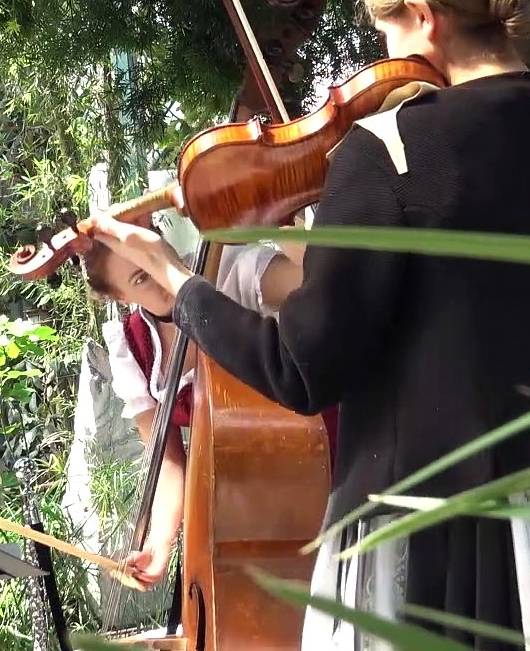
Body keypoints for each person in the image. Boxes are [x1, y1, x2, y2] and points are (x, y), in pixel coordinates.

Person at [85, 0, 530, 647]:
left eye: (386, 29)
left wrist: (175, 282)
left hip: (432, 549)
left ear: (423, 15)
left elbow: (300, 369)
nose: (384, 58)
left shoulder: (387, 153)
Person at [83, 218, 338, 589]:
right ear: (121, 297)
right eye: (140, 279)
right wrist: (160, 543)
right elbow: (169, 460)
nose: (157, 281)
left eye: (152, 259)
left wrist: (276, 213)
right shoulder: (129, 347)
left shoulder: (228, 269)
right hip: (249, 511)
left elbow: (316, 279)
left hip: (325, 457)